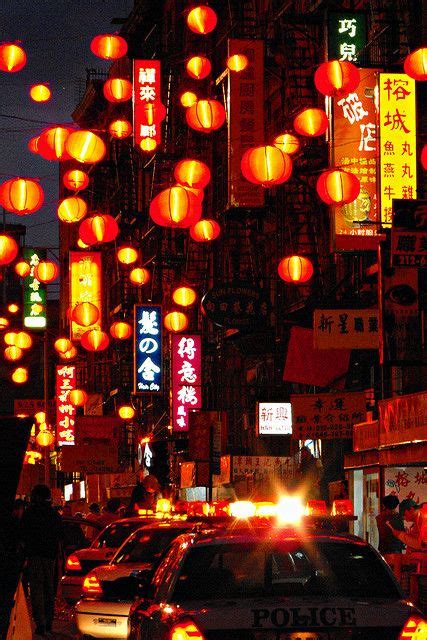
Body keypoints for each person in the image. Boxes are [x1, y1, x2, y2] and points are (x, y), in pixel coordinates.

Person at [21, 484, 63, 637]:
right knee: (49, 591)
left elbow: (23, 535)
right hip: (50, 557)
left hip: (35, 557)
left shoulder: (29, 514)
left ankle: (41, 624)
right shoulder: (54, 515)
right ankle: (48, 624)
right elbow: (60, 536)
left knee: (37, 591)